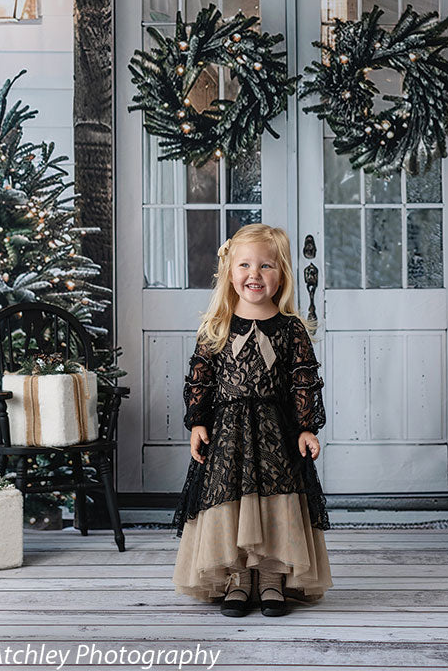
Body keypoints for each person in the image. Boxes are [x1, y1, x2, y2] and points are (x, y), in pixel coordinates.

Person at [171, 224, 333, 617]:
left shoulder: (291, 328)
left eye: (266, 266)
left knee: (277, 502)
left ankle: (274, 577)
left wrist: (306, 426)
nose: (254, 274)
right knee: (228, 504)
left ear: (283, 275)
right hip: (228, 435)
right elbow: (201, 378)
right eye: (244, 264)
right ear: (229, 271)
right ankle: (238, 579)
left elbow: (302, 379)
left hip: (276, 432)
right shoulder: (217, 326)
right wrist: (197, 422)